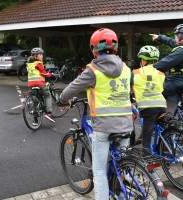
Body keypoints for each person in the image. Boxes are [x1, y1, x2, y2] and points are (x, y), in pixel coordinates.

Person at [57, 28, 133, 199]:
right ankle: (123, 190)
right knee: (124, 163)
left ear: (93, 49)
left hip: (104, 126)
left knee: (99, 170)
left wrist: (61, 99)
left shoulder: (93, 70)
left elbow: (71, 89)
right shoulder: (126, 68)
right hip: (126, 124)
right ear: (115, 48)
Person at [131, 45, 167, 151]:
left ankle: (146, 159)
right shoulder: (161, 74)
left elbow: (126, 85)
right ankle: (165, 151)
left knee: (146, 139)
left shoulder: (135, 73)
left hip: (148, 107)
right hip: (162, 106)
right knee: (163, 131)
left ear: (143, 59)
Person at [27, 47, 55, 123]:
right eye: (40, 54)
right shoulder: (38, 63)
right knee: (47, 95)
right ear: (36, 56)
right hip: (39, 83)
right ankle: (49, 113)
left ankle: (35, 119)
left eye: (42, 54)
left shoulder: (29, 64)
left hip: (31, 84)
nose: (42, 56)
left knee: (35, 100)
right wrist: (50, 75)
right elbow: (43, 73)